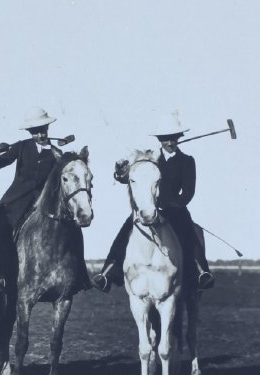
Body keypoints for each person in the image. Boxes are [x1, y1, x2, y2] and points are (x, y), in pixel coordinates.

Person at [92, 116, 215, 294]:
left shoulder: (187, 161)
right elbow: (125, 178)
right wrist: (119, 171)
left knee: (189, 235)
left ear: (179, 137)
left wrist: (173, 205)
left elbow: (188, 192)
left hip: (174, 210)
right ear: (159, 139)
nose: (170, 142)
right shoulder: (150, 159)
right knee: (124, 234)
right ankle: (107, 274)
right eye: (165, 138)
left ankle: (201, 273)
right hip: (147, 209)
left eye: (173, 137)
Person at [0, 107, 89, 294]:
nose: (40, 134)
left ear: (48, 128)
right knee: (0, 228)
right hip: (16, 200)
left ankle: (80, 275)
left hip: (42, 202)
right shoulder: (21, 147)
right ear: (30, 132)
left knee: (74, 229)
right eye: (35, 131)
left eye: (43, 129)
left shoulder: (55, 152)